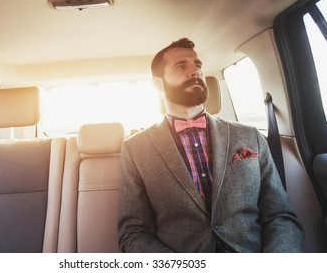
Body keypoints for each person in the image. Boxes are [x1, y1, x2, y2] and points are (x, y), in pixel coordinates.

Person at [117, 38, 304, 253]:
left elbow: (280, 215)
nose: (195, 72)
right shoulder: (135, 149)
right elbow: (133, 232)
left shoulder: (249, 136)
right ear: (158, 83)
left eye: (197, 65)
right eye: (181, 66)